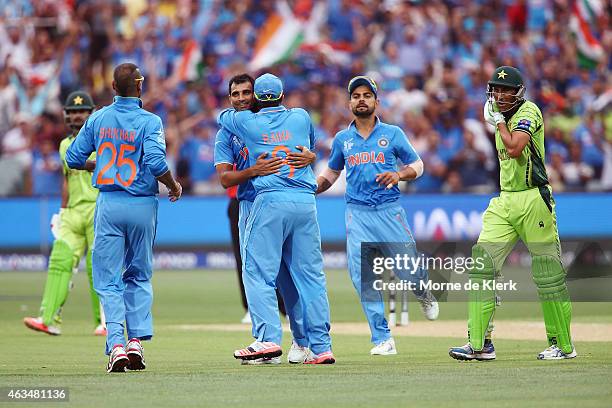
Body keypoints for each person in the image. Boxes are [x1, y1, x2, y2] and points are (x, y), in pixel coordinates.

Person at [449, 66, 575, 361]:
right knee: (481, 267)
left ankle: (562, 344)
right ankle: (479, 344)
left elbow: (516, 148)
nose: (501, 95)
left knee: (547, 274)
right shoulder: (500, 118)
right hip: (505, 200)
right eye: (496, 89)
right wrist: (498, 122)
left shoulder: (529, 112)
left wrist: (498, 124)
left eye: (507, 90)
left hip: (534, 198)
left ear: (519, 93)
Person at [66, 63, 182, 373]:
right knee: (139, 274)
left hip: (110, 202)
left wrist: (100, 164)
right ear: (140, 87)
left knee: (108, 278)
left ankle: (116, 343)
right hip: (143, 204)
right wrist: (172, 185)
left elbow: (73, 158)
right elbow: (157, 161)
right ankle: (135, 343)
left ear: (114, 89)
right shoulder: (150, 121)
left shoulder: (99, 118)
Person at [316, 75, 439, 356]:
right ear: (349, 103)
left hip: (389, 210)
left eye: (366, 95)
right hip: (357, 214)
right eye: (356, 96)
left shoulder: (393, 133)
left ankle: (423, 292)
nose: (361, 100)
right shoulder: (342, 139)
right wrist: (315, 188)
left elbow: (417, 165)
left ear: (376, 101)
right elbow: (333, 172)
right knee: (364, 277)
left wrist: (398, 174)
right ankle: (382, 338)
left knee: (409, 272)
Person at [217, 73, 334, 364]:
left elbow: (223, 117)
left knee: (256, 273)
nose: (242, 99)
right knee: (310, 278)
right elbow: (308, 145)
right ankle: (321, 347)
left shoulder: (246, 122)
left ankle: (268, 339)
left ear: (256, 97)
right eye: (236, 94)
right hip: (305, 202)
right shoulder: (301, 116)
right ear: (283, 96)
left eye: (248, 93)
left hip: (269, 203)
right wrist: (309, 157)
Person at [23, 91, 106, 337]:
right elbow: (67, 181)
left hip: (97, 207)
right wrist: (61, 212)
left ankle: (104, 323)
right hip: (72, 212)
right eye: (72, 112)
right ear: (65, 116)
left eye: (82, 112)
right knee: (59, 260)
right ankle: (48, 319)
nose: (77, 116)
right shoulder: (64, 145)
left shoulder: (101, 140)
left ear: (91, 115)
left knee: (97, 266)